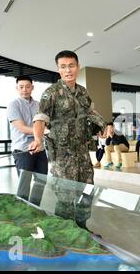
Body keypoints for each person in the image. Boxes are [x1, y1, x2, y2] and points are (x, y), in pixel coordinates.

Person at [29, 50, 106, 228]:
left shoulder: (83, 92)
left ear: (78, 67)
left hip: (82, 152)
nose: (68, 70)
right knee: (65, 195)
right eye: (63, 67)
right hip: (62, 155)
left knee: (87, 191)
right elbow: (41, 118)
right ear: (58, 70)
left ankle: (82, 227)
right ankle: (65, 230)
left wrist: (103, 125)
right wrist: (38, 139)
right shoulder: (52, 93)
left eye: (71, 66)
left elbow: (90, 112)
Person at [7, 76, 48, 206]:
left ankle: (35, 208)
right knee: (24, 183)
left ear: (32, 87)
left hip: (40, 149)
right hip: (23, 149)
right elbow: (22, 128)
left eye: (27, 86)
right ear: (17, 88)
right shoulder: (13, 105)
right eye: (21, 87)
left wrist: (45, 131)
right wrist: (44, 131)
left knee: (41, 180)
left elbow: (45, 124)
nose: (24, 89)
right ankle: (22, 210)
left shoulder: (39, 105)